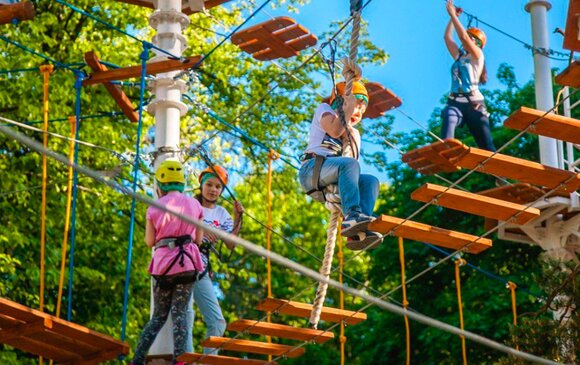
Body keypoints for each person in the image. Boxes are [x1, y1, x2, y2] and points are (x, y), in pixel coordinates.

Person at [131, 159, 204, 365]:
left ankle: (136, 360)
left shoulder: (154, 207)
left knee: (158, 317)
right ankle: (179, 360)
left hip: (163, 267)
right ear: (182, 182)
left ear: (160, 184)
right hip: (188, 264)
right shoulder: (195, 205)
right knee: (179, 313)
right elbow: (198, 240)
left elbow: (149, 242)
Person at [298, 79, 381, 250]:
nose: (358, 111)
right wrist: (348, 107)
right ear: (342, 101)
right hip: (312, 169)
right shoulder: (325, 111)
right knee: (348, 165)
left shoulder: (353, 133)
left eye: (362, 110)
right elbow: (335, 130)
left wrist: (351, 134)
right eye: (357, 105)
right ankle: (352, 215)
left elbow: (352, 170)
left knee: (370, 181)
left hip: (330, 175)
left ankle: (357, 230)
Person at [184, 165, 244, 355]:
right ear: (201, 185)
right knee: (186, 316)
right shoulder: (189, 205)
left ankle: (207, 360)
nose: (213, 190)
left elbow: (230, 245)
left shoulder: (221, 214)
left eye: (218, 187)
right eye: (209, 184)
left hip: (201, 269)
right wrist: (199, 231)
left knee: (218, 323)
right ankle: (186, 358)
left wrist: (237, 218)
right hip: (183, 264)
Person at [442, 0, 496, 152]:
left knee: (486, 145)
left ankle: (497, 174)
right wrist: (453, 19)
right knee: (449, 115)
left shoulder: (478, 56)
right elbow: (447, 38)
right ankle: (446, 148)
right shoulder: (460, 58)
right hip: (455, 102)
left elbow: (464, 38)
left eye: (472, 38)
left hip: (474, 104)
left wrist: (453, 14)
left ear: (477, 44)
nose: (468, 39)